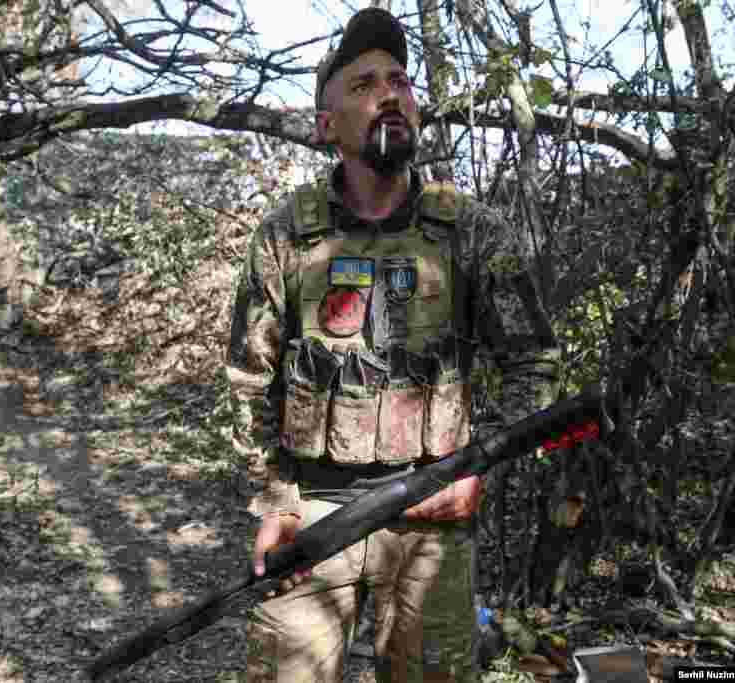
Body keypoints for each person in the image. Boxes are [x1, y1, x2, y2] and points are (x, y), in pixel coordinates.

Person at [224, 7, 559, 682]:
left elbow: (534, 361)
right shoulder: (287, 235)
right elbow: (249, 377)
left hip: (431, 513)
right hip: (313, 510)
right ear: (327, 127)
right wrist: (275, 500)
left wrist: (478, 466)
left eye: (401, 80)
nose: (389, 93)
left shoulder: (470, 232)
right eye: (364, 83)